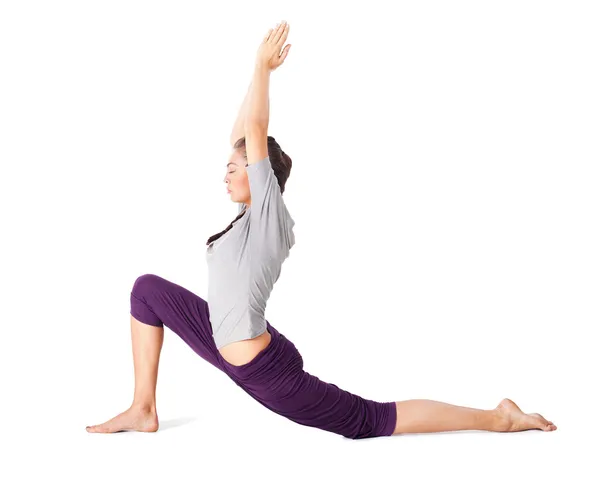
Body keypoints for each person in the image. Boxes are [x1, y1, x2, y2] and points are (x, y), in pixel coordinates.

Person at [86, 20, 557, 438]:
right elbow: (243, 128)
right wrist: (253, 81)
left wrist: (262, 69)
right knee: (146, 290)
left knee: (371, 421)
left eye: (236, 167)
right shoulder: (244, 220)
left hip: (264, 371)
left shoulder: (269, 214)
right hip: (223, 339)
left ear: (259, 174)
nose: (226, 173)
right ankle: (143, 408)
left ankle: (499, 417)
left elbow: (254, 127)